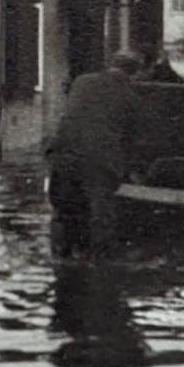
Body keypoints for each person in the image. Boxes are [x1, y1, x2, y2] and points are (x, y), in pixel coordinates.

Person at [45, 50, 145, 259]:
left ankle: (60, 258)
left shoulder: (82, 81)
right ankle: (98, 266)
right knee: (100, 215)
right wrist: (132, 173)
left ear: (110, 64)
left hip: (62, 153)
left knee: (63, 211)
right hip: (99, 160)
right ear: (136, 74)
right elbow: (130, 143)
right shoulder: (132, 98)